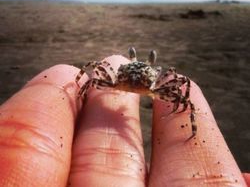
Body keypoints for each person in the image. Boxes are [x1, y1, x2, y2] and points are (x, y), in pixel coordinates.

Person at [0, 55, 249, 186]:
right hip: (145, 87)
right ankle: (190, 127)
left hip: (118, 83)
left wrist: (79, 84)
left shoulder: (109, 77)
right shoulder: (160, 81)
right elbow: (184, 94)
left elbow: (89, 69)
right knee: (187, 99)